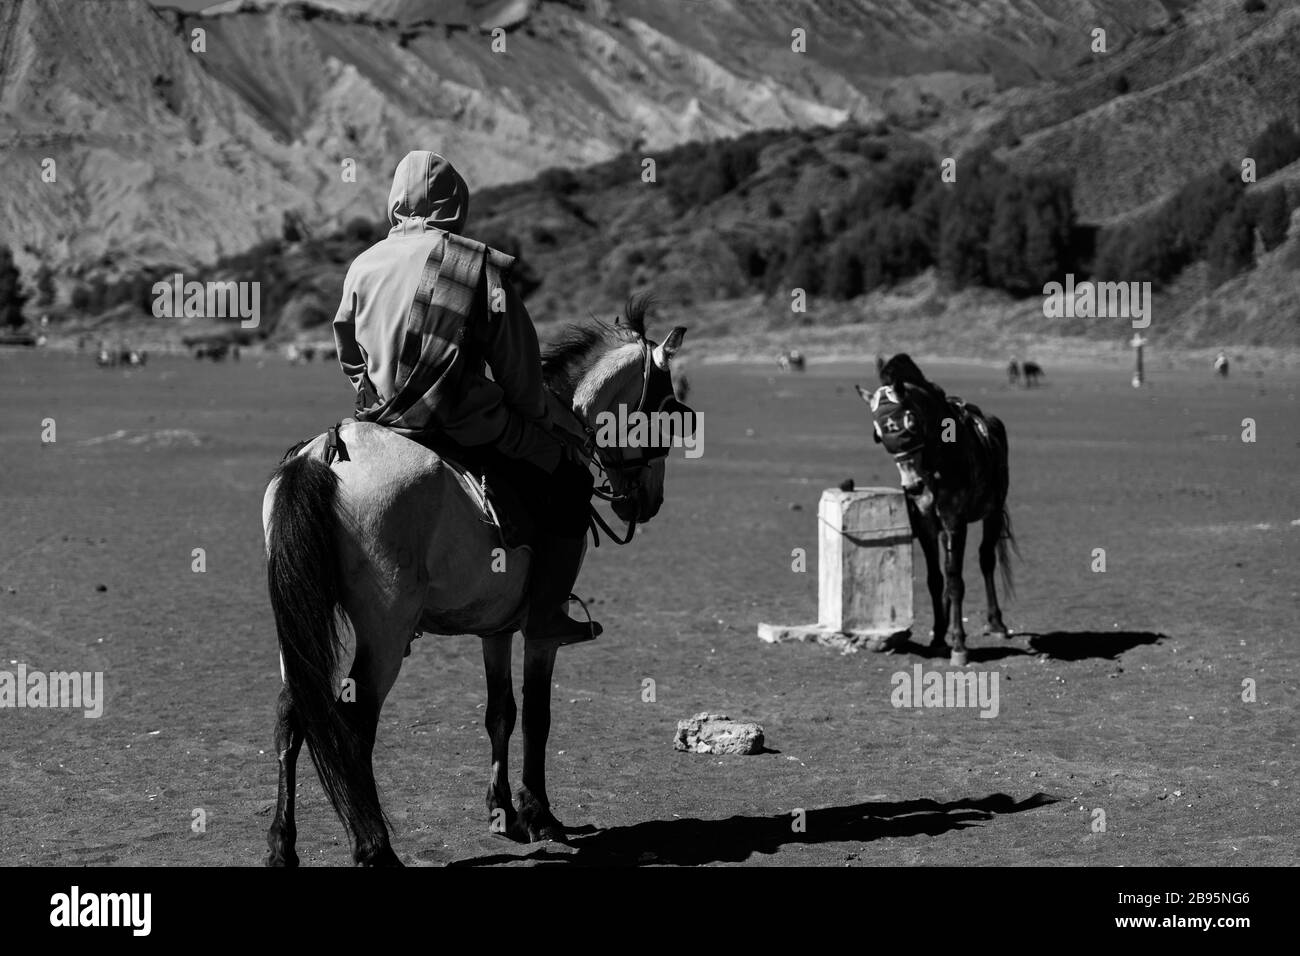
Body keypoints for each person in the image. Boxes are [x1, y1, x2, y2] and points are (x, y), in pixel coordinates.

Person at [332, 150, 599, 645]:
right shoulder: (475, 265)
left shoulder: (362, 265)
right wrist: (537, 419)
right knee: (569, 483)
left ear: (395, 199)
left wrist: (375, 394)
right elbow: (520, 378)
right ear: (456, 200)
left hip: (381, 422)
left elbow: (349, 352)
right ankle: (546, 617)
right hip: (465, 421)